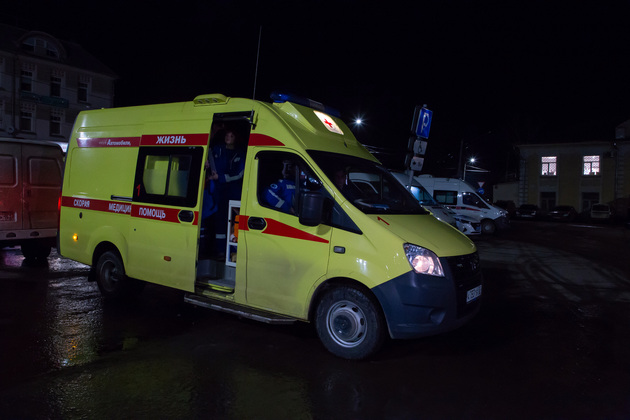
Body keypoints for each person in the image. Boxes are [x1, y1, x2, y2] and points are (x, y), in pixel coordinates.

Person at [212, 129, 245, 256]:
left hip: (234, 191)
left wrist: (221, 177)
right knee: (220, 219)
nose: (228, 137)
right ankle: (220, 251)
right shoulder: (217, 149)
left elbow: (240, 173)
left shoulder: (240, 153)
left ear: (236, 138)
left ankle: (233, 251)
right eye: (227, 135)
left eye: (231, 135)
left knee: (234, 220)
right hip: (219, 190)